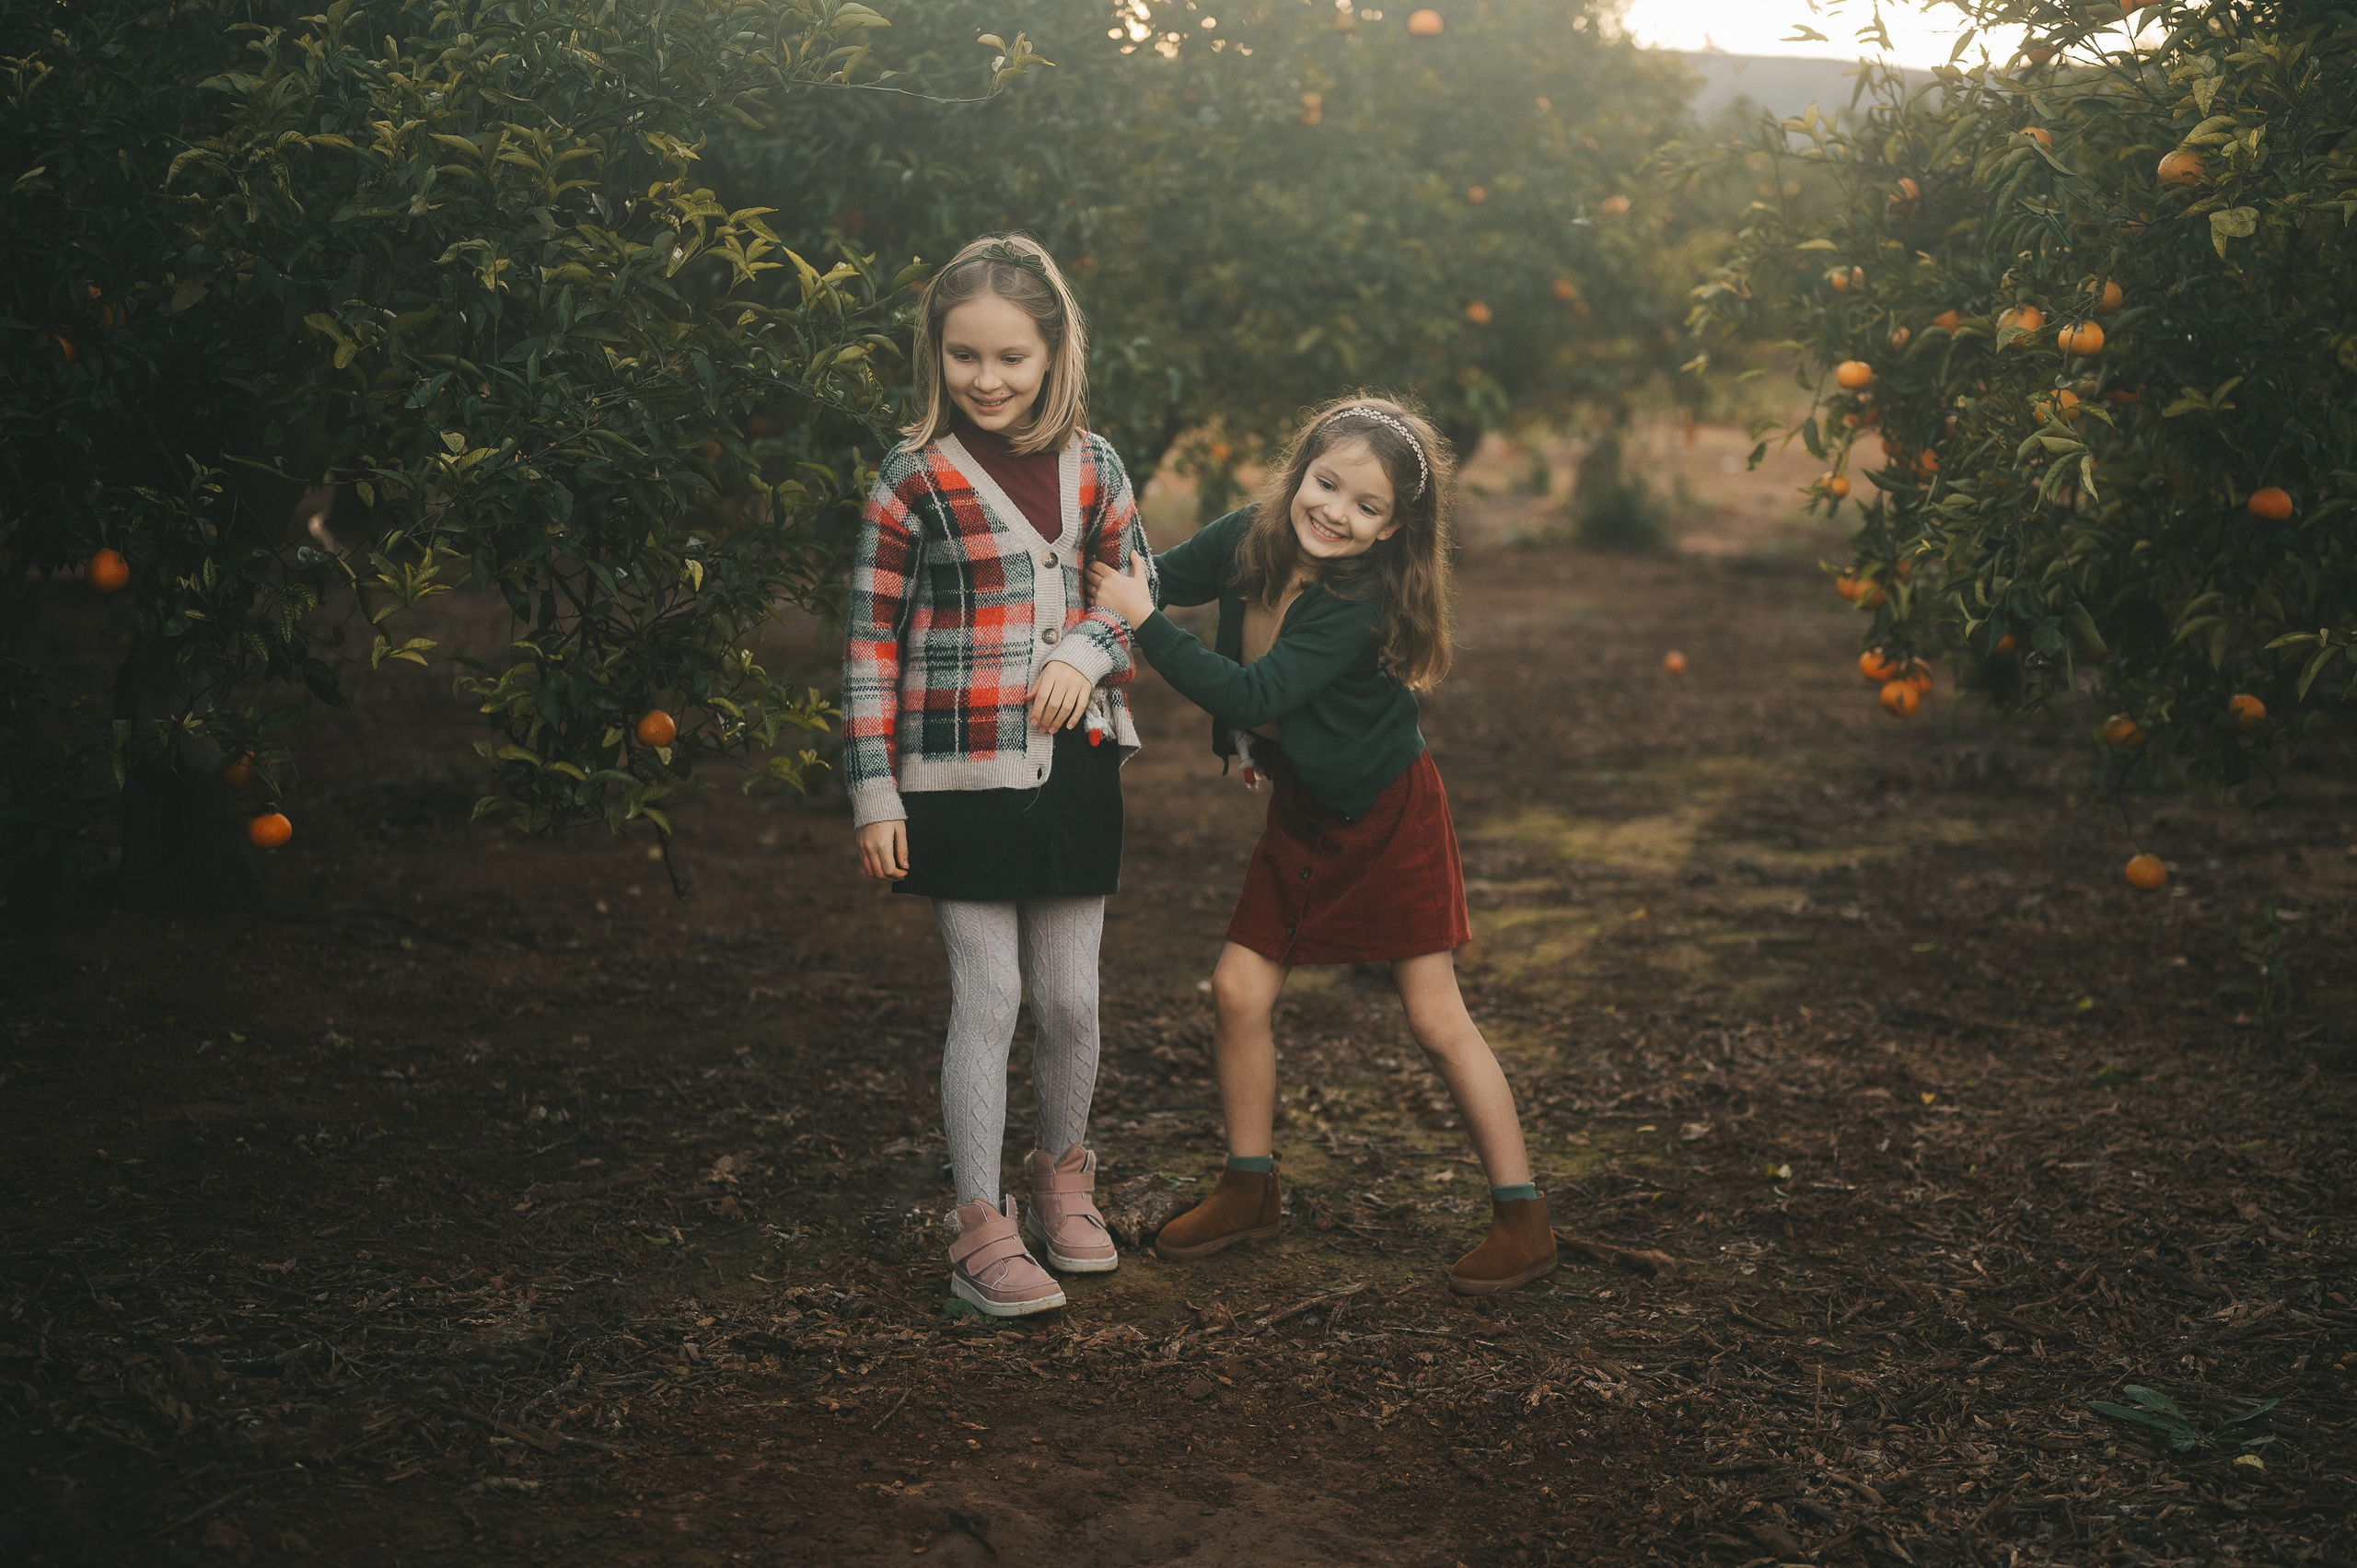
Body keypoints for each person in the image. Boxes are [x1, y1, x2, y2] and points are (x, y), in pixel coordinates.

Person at [1084, 396, 1557, 1295]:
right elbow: (1154, 571)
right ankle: (1248, 1186)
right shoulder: (1249, 535)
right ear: (1301, 466)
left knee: (1433, 1015)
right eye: (1326, 481)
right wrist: (1084, 571)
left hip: (1386, 813)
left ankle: (1522, 1215)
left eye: (1366, 505)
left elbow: (1256, 686)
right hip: (1306, 808)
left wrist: (1143, 622)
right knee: (1235, 988)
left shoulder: (1356, 600)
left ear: (1392, 529)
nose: (1335, 510)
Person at [842, 234, 1155, 1318]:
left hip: (1075, 766)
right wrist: (873, 788)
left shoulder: (1098, 465)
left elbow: (1134, 594)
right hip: (952, 775)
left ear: (1053, 350)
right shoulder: (913, 474)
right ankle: (980, 1219)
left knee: (1070, 996)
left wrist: (1083, 654)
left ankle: (1064, 1175)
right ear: (938, 354)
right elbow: (869, 639)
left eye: (1011, 358)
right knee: (992, 995)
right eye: (965, 356)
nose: (987, 379)